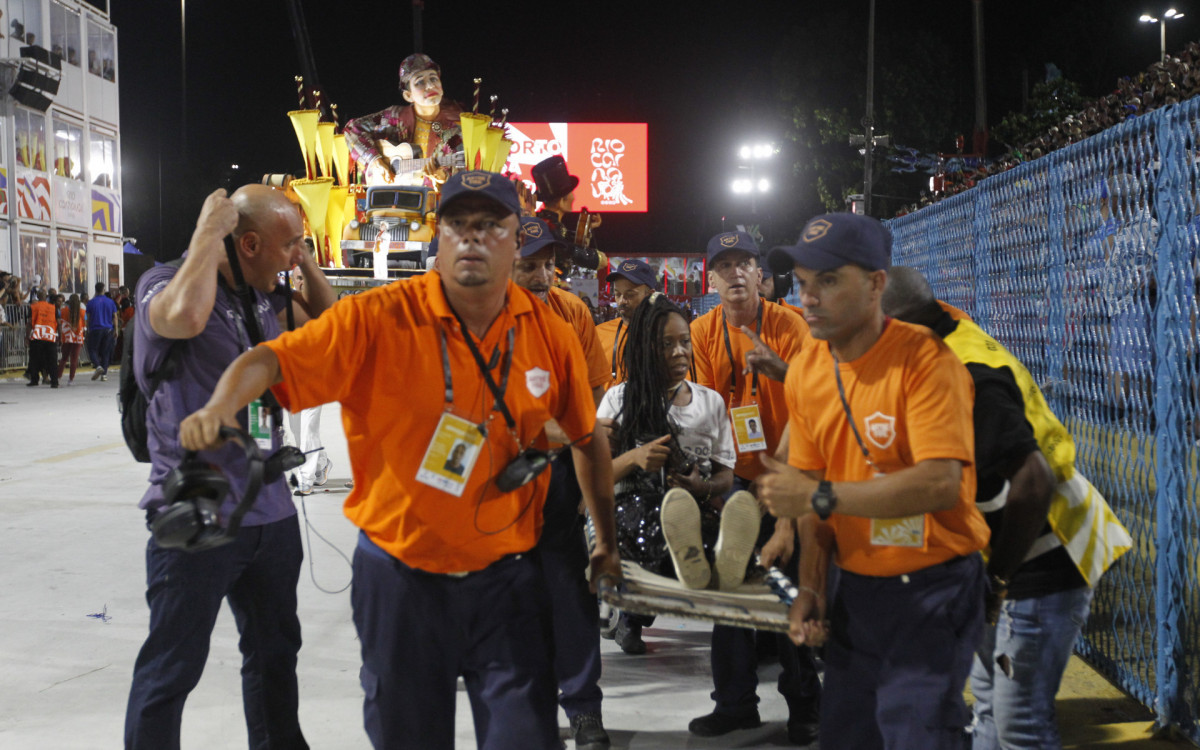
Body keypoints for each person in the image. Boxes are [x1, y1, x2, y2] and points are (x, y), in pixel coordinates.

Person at [177, 171, 622, 750]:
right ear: (438, 238)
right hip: (400, 579)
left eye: (490, 226)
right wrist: (220, 405)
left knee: (524, 736)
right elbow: (269, 361)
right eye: (458, 225)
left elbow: (588, 439)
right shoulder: (378, 317)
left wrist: (605, 542)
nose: (472, 239)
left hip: (509, 580)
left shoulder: (551, 334)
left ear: (518, 241)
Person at [759, 213, 991, 750]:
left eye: (830, 280)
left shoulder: (927, 361)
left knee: (917, 731)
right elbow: (813, 488)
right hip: (857, 585)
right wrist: (813, 588)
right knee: (846, 734)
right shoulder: (810, 368)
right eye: (802, 284)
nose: (809, 298)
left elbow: (938, 484)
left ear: (876, 284)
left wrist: (820, 495)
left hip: (933, 585)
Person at [882, 266, 1132, 750]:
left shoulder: (967, 374)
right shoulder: (935, 341)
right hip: (999, 558)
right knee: (991, 706)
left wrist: (998, 582)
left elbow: (1032, 484)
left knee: (1021, 723)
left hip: (1041, 559)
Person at [124, 184, 335, 749]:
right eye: (286, 246)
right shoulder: (167, 282)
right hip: (198, 510)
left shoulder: (264, 298)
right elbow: (185, 318)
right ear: (246, 242)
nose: (294, 256)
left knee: (274, 657)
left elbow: (333, 326)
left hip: (269, 510)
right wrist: (204, 235)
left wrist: (301, 252)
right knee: (173, 667)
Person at [687, 230, 820, 744]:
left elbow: (816, 396)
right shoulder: (703, 330)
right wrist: (716, 476)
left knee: (791, 594)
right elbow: (707, 407)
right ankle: (736, 704)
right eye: (725, 266)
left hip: (791, 479)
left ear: (760, 275)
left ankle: (806, 705)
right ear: (713, 279)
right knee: (732, 596)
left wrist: (780, 370)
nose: (736, 273)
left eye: (745, 263)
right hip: (737, 480)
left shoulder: (791, 324)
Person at [597, 293, 752, 650]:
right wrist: (635, 457)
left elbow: (725, 475)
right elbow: (595, 478)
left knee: (726, 535)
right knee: (651, 528)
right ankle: (630, 615)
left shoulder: (709, 402)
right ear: (644, 348)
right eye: (666, 344)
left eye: (684, 342)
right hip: (633, 513)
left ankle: (711, 563)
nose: (679, 352)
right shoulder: (618, 401)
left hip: (694, 507)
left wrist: (703, 486)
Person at [510, 215, 612, 749]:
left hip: (557, 475)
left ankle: (584, 708)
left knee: (571, 594)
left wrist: (582, 471)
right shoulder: (479, 317)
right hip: (499, 483)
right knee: (509, 600)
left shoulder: (571, 312)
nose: (541, 276)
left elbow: (591, 401)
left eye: (547, 265)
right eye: (528, 266)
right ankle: (522, 708)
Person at [343, 53, 463, 186]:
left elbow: (462, 176)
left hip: (430, 201)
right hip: (388, 194)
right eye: (420, 82)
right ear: (408, 95)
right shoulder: (393, 117)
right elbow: (352, 129)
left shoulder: (451, 131)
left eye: (434, 79)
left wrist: (443, 177)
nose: (429, 85)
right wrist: (376, 162)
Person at [284, 264, 333, 496]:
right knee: (297, 429)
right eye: (298, 279)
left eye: (304, 278)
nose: (301, 282)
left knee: (307, 429)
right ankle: (322, 464)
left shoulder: (322, 307)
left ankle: (305, 480)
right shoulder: (287, 306)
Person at [595, 259, 656, 389]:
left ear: (650, 295)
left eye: (630, 294)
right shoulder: (598, 334)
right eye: (617, 294)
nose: (622, 301)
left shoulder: (665, 335)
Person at [26, 288, 59, 387]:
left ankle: (34, 380)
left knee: (34, 359)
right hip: (50, 336)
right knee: (52, 360)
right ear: (46, 296)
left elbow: (29, 323)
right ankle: (54, 382)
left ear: (38, 296)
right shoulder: (54, 308)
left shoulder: (33, 307)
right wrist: (60, 337)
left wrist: (27, 337)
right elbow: (59, 323)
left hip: (37, 336)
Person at [86, 281, 118, 380]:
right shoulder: (110, 302)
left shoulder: (91, 302)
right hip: (108, 329)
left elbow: (88, 317)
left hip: (95, 329)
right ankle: (104, 375)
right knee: (106, 352)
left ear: (96, 290)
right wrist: (116, 329)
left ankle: (98, 366)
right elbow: (115, 317)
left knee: (92, 350)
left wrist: (87, 330)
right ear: (104, 290)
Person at [57, 293, 86, 385]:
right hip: (78, 338)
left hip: (66, 337)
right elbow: (85, 325)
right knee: (74, 359)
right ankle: (71, 379)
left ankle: (58, 377)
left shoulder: (63, 310)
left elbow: (59, 322)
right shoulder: (82, 312)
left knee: (64, 358)